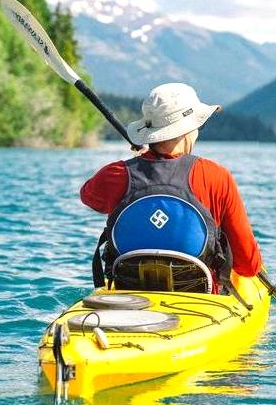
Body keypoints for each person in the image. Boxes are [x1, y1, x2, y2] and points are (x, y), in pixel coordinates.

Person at [81, 83, 262, 292]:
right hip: (199, 299)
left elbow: (88, 196)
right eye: (199, 126)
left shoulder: (116, 174)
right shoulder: (217, 176)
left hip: (130, 294)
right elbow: (249, 266)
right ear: (187, 131)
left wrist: (136, 164)